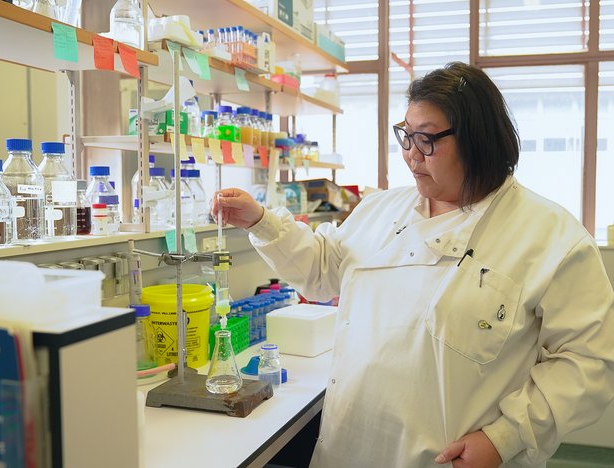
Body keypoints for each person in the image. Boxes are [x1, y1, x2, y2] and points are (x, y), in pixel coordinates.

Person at [212, 62, 614, 467]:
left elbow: (591, 360)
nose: (410, 155)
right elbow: (322, 270)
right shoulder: (381, 209)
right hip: (350, 447)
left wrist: (504, 438)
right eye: (406, 135)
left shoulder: (549, 235)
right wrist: (260, 222)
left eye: (426, 140)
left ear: (478, 140)